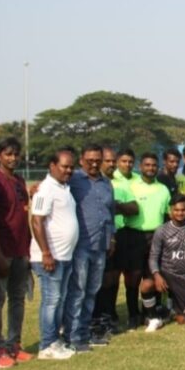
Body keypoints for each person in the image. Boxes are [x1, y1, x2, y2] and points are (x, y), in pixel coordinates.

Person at [0, 138, 33, 368]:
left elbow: (23, 216)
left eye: (16, 154)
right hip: (2, 252)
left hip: (21, 250)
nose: (13, 158)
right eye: (8, 154)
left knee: (18, 300)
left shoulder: (19, 180)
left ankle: (14, 344)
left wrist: (28, 249)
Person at [64, 144, 115, 353]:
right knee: (78, 292)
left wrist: (112, 238)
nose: (94, 163)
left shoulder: (106, 183)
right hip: (81, 246)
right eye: (90, 160)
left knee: (92, 291)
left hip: (101, 245)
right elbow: (52, 187)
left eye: (97, 159)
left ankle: (85, 334)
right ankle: (72, 336)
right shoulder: (73, 180)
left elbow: (110, 213)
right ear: (82, 160)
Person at [30, 150, 79, 359]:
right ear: (52, 165)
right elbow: (36, 220)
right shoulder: (45, 189)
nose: (68, 170)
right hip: (51, 257)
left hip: (65, 255)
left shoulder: (64, 188)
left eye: (71, 167)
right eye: (64, 166)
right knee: (51, 300)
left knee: (59, 299)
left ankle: (54, 340)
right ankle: (47, 345)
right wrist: (46, 252)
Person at [121, 152, 171, 329]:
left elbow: (166, 216)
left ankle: (151, 313)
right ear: (140, 167)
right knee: (132, 277)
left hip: (156, 237)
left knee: (153, 277)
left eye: (154, 165)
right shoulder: (131, 186)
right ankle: (133, 314)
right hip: (133, 235)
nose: (151, 168)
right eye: (147, 165)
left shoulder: (163, 189)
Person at [145, 194, 185, 329]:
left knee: (183, 320)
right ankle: (154, 317)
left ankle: (170, 308)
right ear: (171, 211)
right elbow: (153, 257)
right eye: (176, 210)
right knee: (146, 285)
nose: (180, 213)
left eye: (183, 210)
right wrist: (156, 275)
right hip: (166, 272)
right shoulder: (161, 230)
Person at [95, 148, 139, 334]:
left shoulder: (115, 184)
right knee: (97, 281)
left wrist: (114, 206)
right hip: (94, 238)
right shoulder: (86, 182)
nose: (112, 164)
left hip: (116, 235)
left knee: (112, 278)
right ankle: (96, 320)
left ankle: (109, 317)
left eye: (114, 161)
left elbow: (133, 207)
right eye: (109, 161)